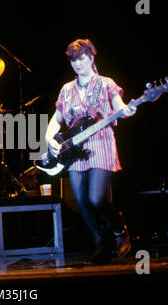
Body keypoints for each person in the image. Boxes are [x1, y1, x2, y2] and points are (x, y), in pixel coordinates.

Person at [45, 38, 136, 263]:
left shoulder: (106, 83)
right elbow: (57, 120)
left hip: (100, 143)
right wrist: (48, 137)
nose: (77, 64)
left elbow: (118, 104)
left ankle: (118, 229)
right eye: (73, 60)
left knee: (96, 198)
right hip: (75, 150)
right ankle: (100, 244)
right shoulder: (67, 90)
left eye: (82, 58)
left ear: (91, 57)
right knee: (81, 201)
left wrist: (124, 109)